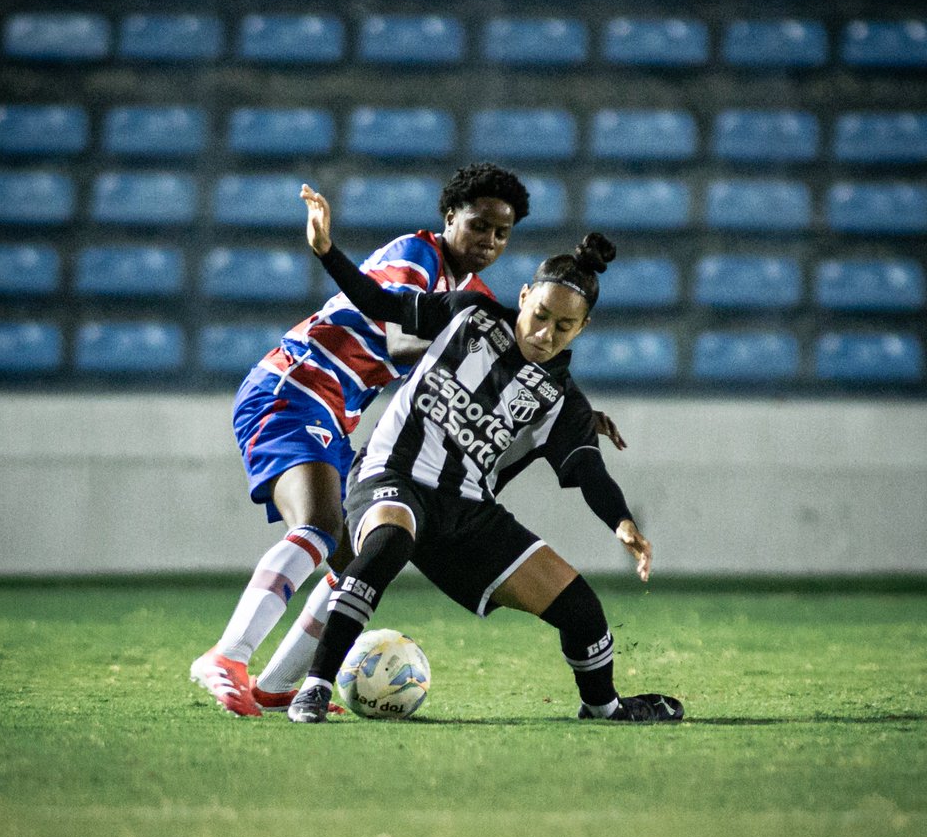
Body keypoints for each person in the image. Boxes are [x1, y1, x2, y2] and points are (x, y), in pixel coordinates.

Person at [287, 185, 684, 725]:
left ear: (582, 328)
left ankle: (605, 707)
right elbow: (382, 304)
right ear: (523, 296)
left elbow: (588, 470)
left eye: (563, 326)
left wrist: (622, 523)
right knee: (387, 542)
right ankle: (312, 687)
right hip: (392, 475)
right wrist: (326, 250)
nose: (545, 333)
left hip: (467, 510)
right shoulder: (468, 313)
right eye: (540, 314)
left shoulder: (563, 401)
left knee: (584, 613)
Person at [190, 162, 531, 716]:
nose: (489, 241)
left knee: (353, 565)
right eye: (478, 225)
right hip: (293, 384)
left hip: (335, 409)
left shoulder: (471, 291)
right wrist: (472, 358)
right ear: (449, 218)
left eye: (501, 232)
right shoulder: (417, 254)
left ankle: (276, 687)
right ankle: (227, 656)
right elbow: (399, 344)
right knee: (321, 525)